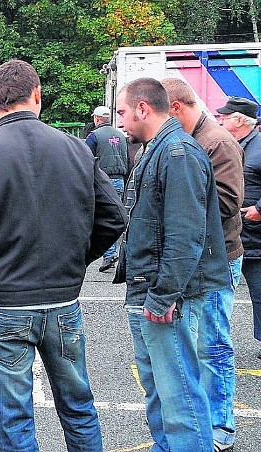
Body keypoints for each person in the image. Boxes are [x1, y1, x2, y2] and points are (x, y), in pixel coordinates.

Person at [0, 59, 127, 451]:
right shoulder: (76, 148)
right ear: (38, 96)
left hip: (3, 301)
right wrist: (75, 260)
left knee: (14, 417)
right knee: (78, 406)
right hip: (62, 298)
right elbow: (113, 217)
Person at [114, 77, 230, 451]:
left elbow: (185, 234)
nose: (119, 121)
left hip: (165, 297)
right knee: (161, 391)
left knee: (177, 393)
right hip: (150, 289)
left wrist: (164, 296)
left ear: (143, 109)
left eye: (123, 112)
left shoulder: (178, 154)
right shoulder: (158, 149)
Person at [161, 78, 244, 452]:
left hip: (217, 260)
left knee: (213, 347)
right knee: (196, 346)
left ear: (176, 108)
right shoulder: (196, 140)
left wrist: (176, 208)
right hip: (199, 258)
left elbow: (226, 204)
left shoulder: (217, 143)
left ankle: (221, 428)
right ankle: (201, 423)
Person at [216, 96, 261, 361]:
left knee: (259, 292)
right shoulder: (237, 144)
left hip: (256, 237)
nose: (220, 119)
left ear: (240, 120)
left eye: (225, 116)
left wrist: (260, 208)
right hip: (237, 235)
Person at [85, 105, 129, 272]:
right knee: (116, 216)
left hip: (102, 182)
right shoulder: (120, 135)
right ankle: (114, 252)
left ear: (97, 119)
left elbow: (87, 159)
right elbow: (127, 159)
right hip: (120, 181)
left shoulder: (94, 136)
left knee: (101, 218)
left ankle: (108, 254)